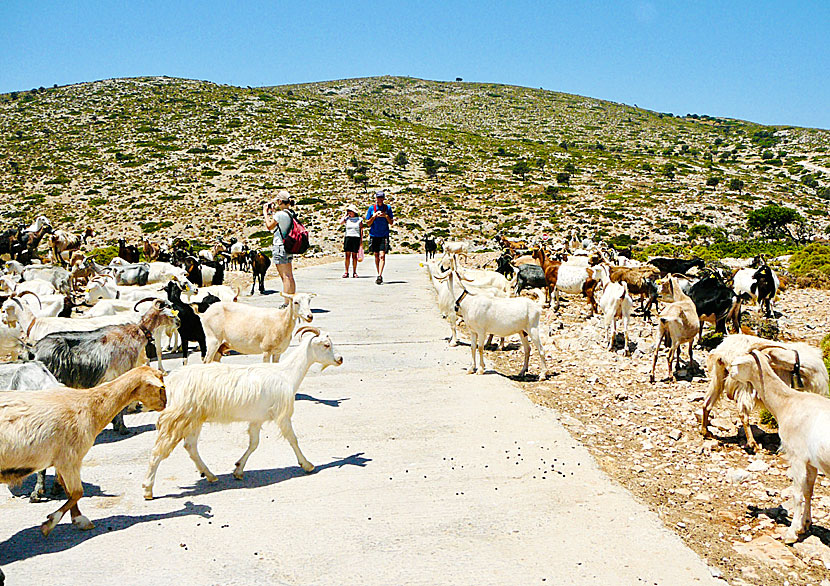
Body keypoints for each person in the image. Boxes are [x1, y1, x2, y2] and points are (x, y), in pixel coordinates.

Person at [263, 190, 296, 295]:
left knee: (284, 276)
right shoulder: (290, 213)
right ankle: (292, 299)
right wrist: (272, 213)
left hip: (280, 246)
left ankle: (287, 302)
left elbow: (269, 226)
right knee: (289, 275)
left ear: (280, 201)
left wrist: (265, 213)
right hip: (288, 245)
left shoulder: (280, 214)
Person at [365, 190, 394, 285]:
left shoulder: (387, 208)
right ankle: (378, 273)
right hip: (374, 235)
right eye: (378, 197)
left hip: (384, 234)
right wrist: (374, 217)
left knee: (382, 255)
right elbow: (368, 223)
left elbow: (391, 222)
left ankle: (380, 275)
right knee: (376, 256)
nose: (380, 199)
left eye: (381, 197)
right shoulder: (371, 208)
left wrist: (385, 216)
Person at [340, 203, 363, 278]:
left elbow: (361, 229)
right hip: (348, 237)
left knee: (354, 256)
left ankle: (354, 272)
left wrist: (361, 240)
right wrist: (345, 215)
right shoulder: (347, 219)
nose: (350, 212)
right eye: (349, 211)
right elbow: (341, 222)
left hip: (356, 237)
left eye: (351, 211)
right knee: (347, 255)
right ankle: (346, 271)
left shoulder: (359, 219)